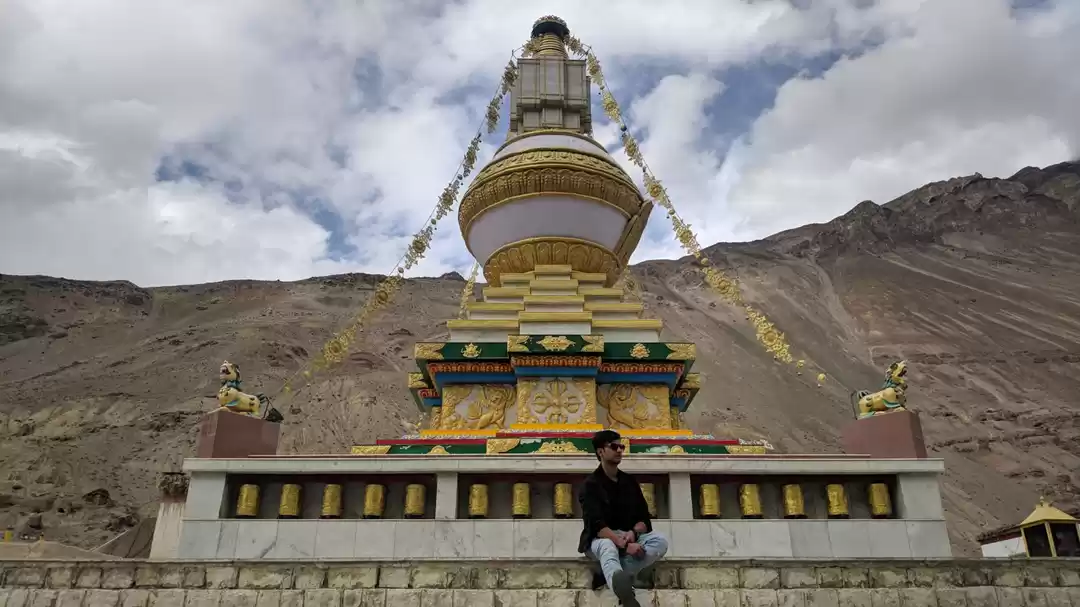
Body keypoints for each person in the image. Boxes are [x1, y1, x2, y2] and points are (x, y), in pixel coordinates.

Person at [578, 430, 669, 607]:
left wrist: (633, 533)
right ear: (600, 452)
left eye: (622, 446)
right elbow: (597, 525)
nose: (619, 450)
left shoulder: (629, 482)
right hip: (601, 538)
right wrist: (624, 545)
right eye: (614, 446)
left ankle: (613, 575)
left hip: (629, 535)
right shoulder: (590, 485)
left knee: (659, 541)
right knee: (607, 547)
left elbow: (644, 519)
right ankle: (624, 592)